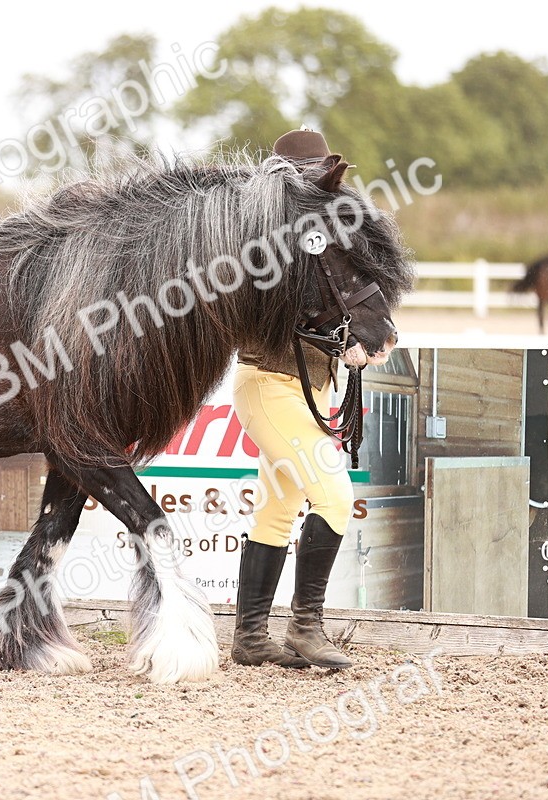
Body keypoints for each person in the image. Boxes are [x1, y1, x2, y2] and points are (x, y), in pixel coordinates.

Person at [230, 128, 355, 670]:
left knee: (278, 511)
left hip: (306, 390)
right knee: (334, 495)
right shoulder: (266, 239)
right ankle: (307, 627)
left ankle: (251, 638)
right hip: (269, 384)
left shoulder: (317, 236)